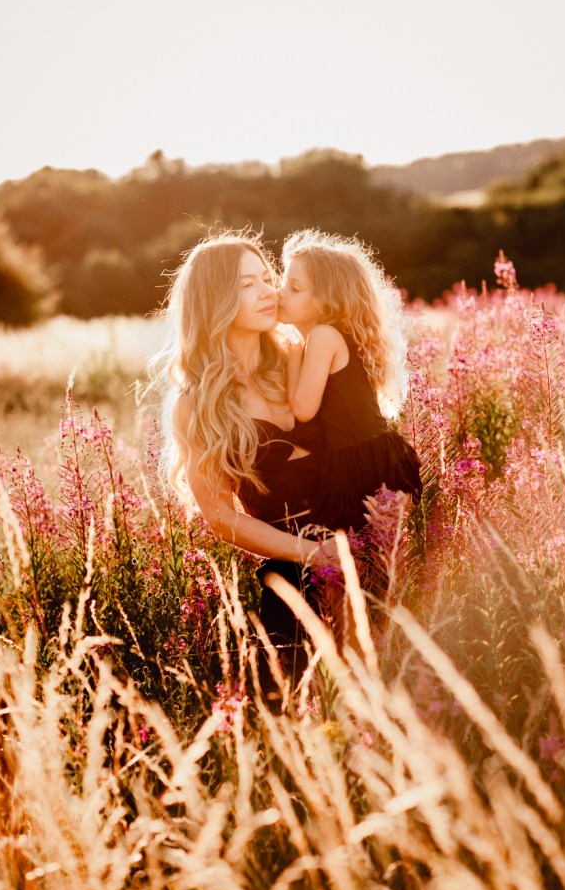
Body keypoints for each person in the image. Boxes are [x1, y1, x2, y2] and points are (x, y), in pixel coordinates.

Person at [153, 231, 335, 693]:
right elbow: (219, 516)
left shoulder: (303, 356)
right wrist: (313, 555)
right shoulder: (199, 403)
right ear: (215, 298)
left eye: (267, 279)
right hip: (294, 575)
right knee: (288, 709)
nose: (268, 292)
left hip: (370, 548)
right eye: (246, 284)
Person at [278, 229, 422, 533]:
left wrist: (291, 358)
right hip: (374, 454)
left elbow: (303, 409)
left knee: (359, 559)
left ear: (325, 300)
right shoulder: (334, 337)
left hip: (357, 462)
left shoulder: (322, 336)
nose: (280, 293)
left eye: (294, 288)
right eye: (283, 283)